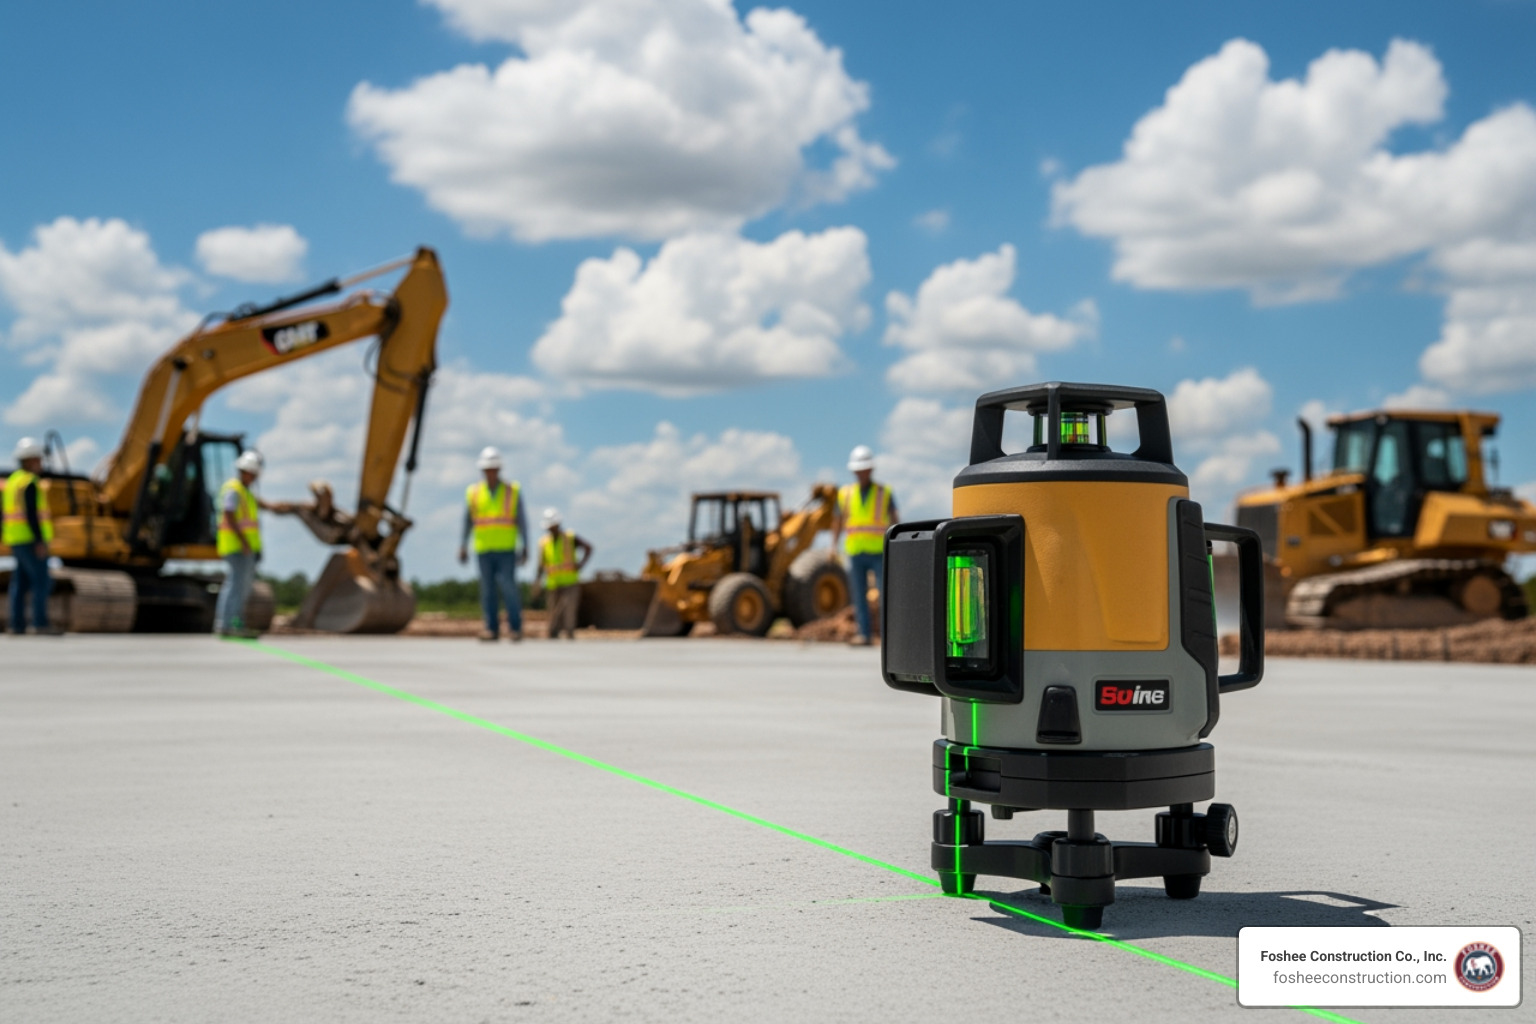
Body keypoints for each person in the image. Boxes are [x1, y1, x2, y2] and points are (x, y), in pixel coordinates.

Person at [458, 446, 527, 642]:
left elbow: (522, 520)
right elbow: (467, 520)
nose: (490, 472)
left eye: (493, 468)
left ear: (499, 469)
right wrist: (463, 545)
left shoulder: (512, 491)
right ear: (482, 471)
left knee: (509, 588)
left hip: (506, 548)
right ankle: (491, 628)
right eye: (487, 469)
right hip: (483, 548)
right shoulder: (473, 492)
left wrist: (526, 545)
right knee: (487, 591)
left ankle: (515, 628)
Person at [831, 444, 898, 646]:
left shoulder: (884, 492)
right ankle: (864, 634)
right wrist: (833, 546)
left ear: (870, 469)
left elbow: (894, 519)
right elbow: (837, 520)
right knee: (858, 596)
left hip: (879, 551)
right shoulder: (845, 494)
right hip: (854, 551)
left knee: (885, 594)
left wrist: (895, 545)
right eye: (857, 470)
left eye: (864, 469)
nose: (860, 473)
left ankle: (889, 637)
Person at [214, 450, 277, 638]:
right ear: (248, 472)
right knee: (236, 586)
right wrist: (243, 542)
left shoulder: (245, 491)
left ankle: (231, 623)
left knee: (240, 586)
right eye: (255, 474)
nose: (256, 478)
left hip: (244, 547)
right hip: (237, 547)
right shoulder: (234, 490)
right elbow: (229, 515)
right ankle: (228, 624)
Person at [4, 437, 60, 635]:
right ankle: (39, 623)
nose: (40, 464)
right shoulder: (29, 482)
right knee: (41, 581)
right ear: (29, 461)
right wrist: (39, 540)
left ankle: (17, 625)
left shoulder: (12, 482)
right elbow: (32, 515)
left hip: (15, 539)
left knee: (20, 583)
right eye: (38, 459)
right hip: (29, 540)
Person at [533, 508, 592, 640]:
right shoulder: (544, 542)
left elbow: (588, 548)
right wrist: (537, 581)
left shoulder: (570, 537)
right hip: (553, 582)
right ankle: (553, 633)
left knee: (569, 610)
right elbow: (541, 564)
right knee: (553, 611)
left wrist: (580, 565)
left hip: (570, 581)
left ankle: (570, 633)